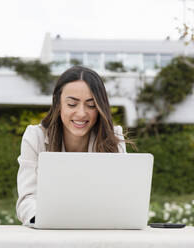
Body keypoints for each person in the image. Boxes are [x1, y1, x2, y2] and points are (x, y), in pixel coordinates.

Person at [16, 66, 129, 225]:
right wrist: (45, 220)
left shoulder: (113, 137)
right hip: (50, 231)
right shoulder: (35, 137)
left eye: (91, 105)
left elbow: (121, 198)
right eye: (71, 104)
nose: (81, 113)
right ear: (58, 104)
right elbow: (27, 198)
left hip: (100, 230)